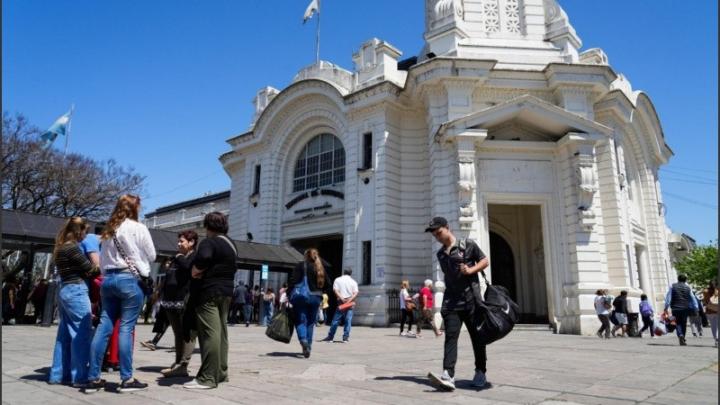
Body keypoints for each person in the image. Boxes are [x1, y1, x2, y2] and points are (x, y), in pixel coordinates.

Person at [84, 194, 156, 393]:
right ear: (135, 208)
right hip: (130, 280)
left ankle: (93, 378)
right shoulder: (138, 228)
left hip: (109, 281)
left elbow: (103, 262)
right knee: (126, 328)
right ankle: (127, 378)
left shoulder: (109, 230)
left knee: (104, 326)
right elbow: (152, 255)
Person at [425, 216, 491, 391]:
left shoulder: (468, 245)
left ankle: (480, 371)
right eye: (435, 235)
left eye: (439, 233)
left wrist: (470, 270)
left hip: (471, 302)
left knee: (477, 339)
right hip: (452, 303)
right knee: (450, 338)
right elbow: (449, 278)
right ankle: (448, 374)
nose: (437, 237)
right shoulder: (440, 254)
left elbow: (485, 261)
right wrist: (437, 310)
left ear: (448, 227)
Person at [183, 212, 237, 390]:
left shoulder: (209, 242)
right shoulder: (231, 244)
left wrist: (195, 270)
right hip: (227, 291)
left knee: (209, 334)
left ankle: (207, 377)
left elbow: (204, 258)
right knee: (221, 333)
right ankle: (221, 373)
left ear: (208, 226)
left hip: (209, 291)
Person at [48, 217, 99, 386]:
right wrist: (102, 264)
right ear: (79, 230)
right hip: (76, 290)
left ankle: (58, 375)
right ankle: (80, 377)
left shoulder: (61, 247)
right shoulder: (73, 248)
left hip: (64, 290)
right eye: (85, 230)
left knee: (63, 336)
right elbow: (91, 270)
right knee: (81, 334)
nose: (86, 234)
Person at [160, 230, 198, 378]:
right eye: (179, 241)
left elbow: (188, 267)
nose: (178, 244)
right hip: (171, 301)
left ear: (191, 242)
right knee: (177, 333)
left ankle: (183, 364)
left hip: (184, 300)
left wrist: (179, 257)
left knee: (187, 333)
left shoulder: (193, 256)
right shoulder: (177, 257)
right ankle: (177, 363)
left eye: (182, 241)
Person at [288, 248, 331, 358]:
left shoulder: (300, 265)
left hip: (301, 296)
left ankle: (303, 340)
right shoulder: (320, 267)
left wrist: (289, 294)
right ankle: (308, 346)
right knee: (311, 323)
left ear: (306, 256)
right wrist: (321, 294)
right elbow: (328, 285)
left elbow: (293, 281)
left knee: (300, 320)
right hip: (315, 297)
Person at [322, 268, 359, 344]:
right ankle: (345, 338)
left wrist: (342, 298)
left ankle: (330, 337)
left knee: (336, 320)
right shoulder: (353, 282)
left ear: (343, 272)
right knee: (348, 320)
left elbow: (336, 290)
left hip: (341, 302)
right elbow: (356, 293)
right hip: (349, 302)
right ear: (350, 274)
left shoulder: (338, 280)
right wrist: (349, 300)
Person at [664, 274, 699, 346]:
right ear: (685, 280)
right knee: (684, 323)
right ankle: (683, 336)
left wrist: (666, 307)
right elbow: (692, 298)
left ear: (678, 279)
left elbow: (668, 297)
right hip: (685, 308)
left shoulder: (672, 286)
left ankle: (680, 335)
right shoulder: (688, 287)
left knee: (677, 322)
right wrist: (696, 307)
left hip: (675, 308)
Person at [702, 281, 719, 347]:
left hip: (709, 311)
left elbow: (705, 301)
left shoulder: (705, 291)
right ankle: (717, 339)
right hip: (717, 310)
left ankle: (716, 340)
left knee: (713, 326)